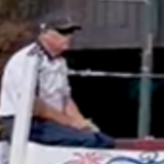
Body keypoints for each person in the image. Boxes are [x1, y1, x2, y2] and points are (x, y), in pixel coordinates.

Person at [0, 14, 114, 148]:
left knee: (104, 141)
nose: (68, 36)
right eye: (63, 32)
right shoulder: (29, 59)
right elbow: (35, 106)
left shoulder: (59, 62)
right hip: (24, 123)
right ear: (45, 33)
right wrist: (70, 122)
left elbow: (65, 98)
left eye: (71, 32)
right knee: (88, 141)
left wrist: (81, 122)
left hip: (50, 122)